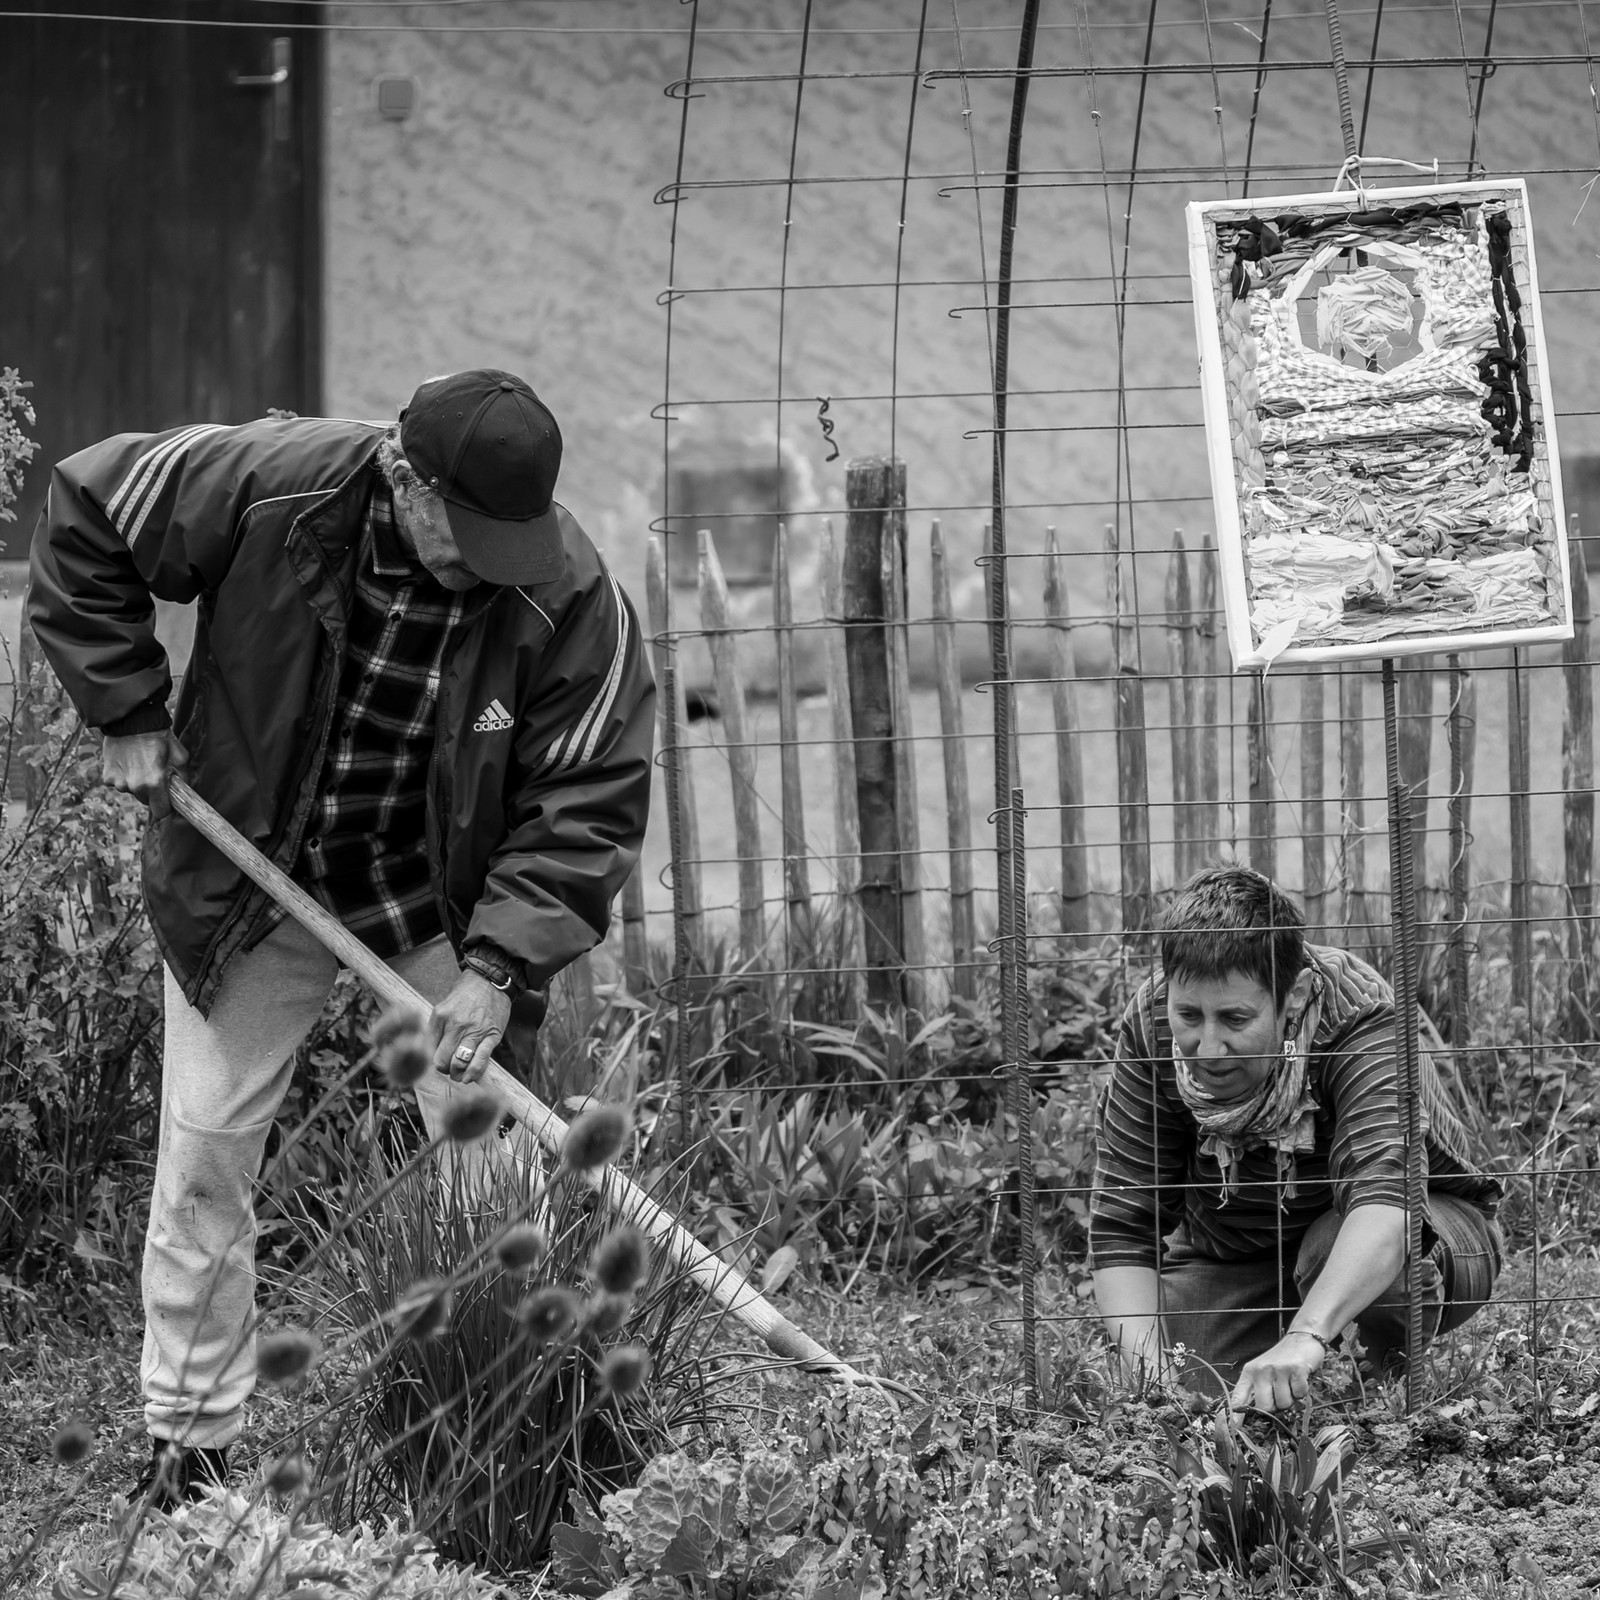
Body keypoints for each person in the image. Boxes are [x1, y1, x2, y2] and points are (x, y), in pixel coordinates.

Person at [27, 369, 654, 1504]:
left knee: (493, 1172)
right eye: (465, 536)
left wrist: (497, 966)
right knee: (209, 1151)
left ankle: (503, 1433)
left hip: (434, 900)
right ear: (404, 479)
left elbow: (587, 794)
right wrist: (123, 703)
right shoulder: (272, 485)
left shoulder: (564, 590)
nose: (484, 564)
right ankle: (190, 1447)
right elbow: (90, 507)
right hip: (251, 875)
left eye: (509, 540)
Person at [1089, 865, 1503, 1412]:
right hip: (1237, 1253)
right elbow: (1124, 1223)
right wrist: (1153, 1379)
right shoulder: (1150, 1023)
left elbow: (1388, 1203)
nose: (1208, 1048)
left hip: (1420, 1226)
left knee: (1337, 1256)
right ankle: (1295, 1352)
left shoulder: (1355, 1012)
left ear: (1295, 994)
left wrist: (1306, 1337)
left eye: (1235, 1019)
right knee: (1195, 1391)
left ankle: (1378, 1406)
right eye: (1190, 1015)